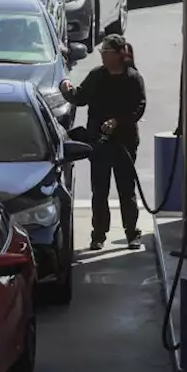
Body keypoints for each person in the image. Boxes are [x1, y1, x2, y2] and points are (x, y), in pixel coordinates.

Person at [58, 34, 147, 251]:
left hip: (125, 143)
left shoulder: (133, 78)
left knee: (127, 189)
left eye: (106, 52)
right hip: (99, 143)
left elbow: (139, 107)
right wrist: (66, 88)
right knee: (99, 191)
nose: (103, 56)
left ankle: (131, 233)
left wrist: (118, 121)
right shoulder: (97, 76)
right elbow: (80, 97)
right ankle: (98, 235)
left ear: (118, 55)